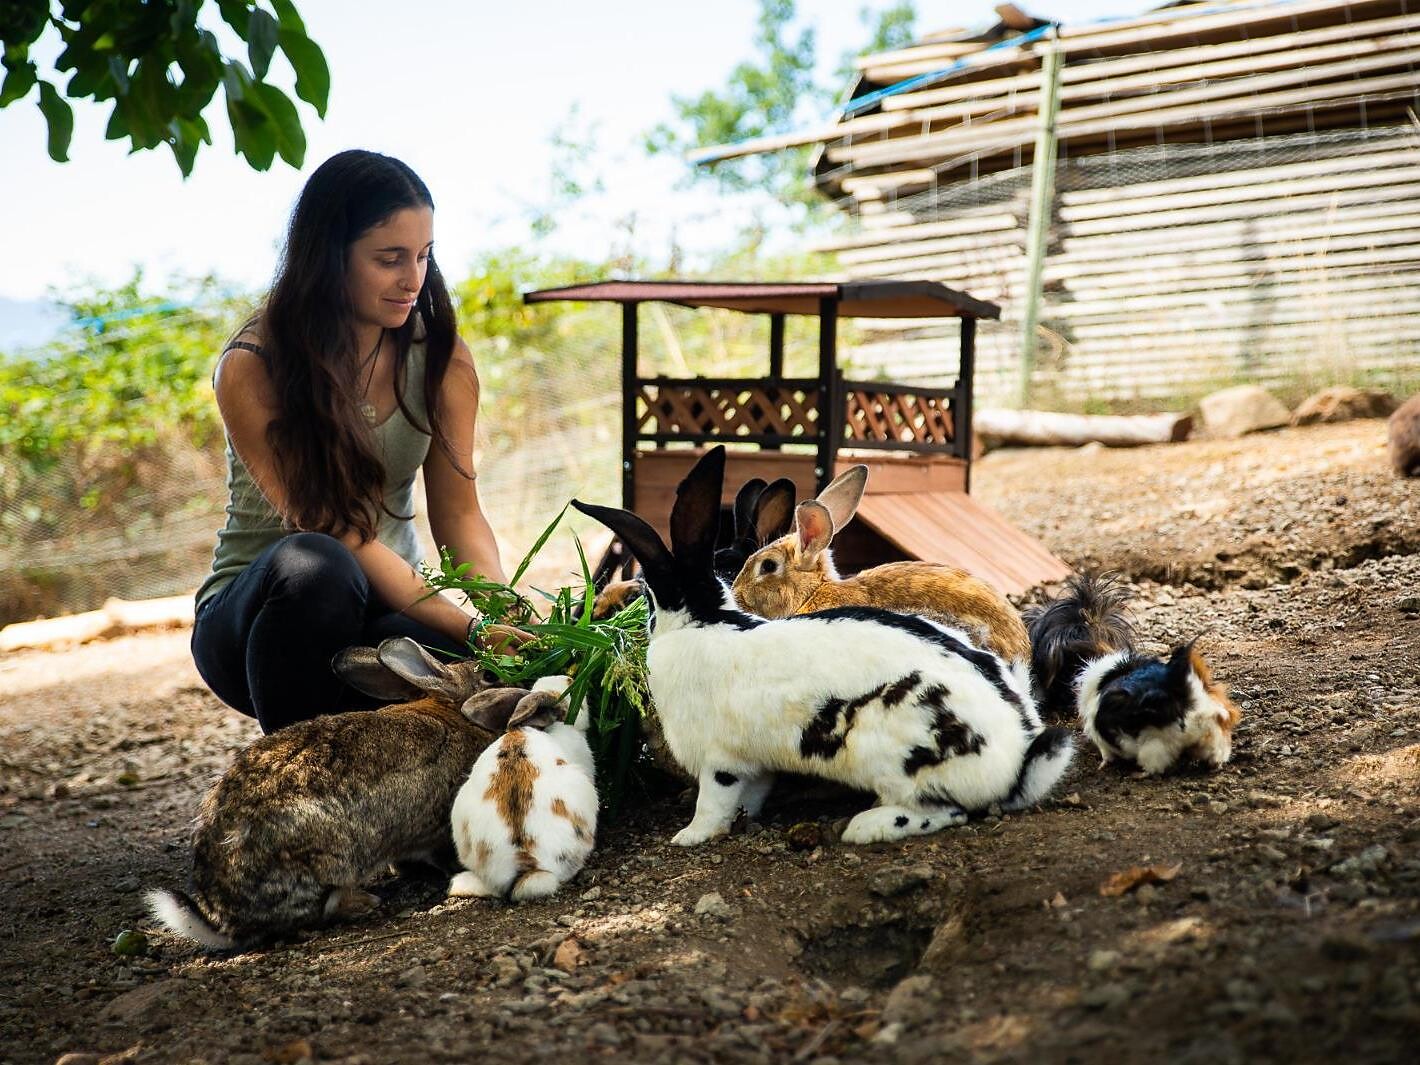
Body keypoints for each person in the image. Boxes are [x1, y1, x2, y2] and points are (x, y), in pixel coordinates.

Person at [191, 149, 517, 734]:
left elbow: (460, 515)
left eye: (423, 255)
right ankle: (296, 769)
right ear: (328, 256)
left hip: (387, 610)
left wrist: (505, 616)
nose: (413, 279)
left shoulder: (440, 358)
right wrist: (467, 626)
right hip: (265, 619)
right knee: (319, 565)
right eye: (389, 259)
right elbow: (329, 526)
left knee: (491, 679)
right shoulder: (255, 364)